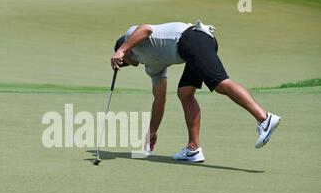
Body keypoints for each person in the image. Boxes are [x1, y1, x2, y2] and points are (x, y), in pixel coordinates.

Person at [111, 21, 281, 162]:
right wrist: (153, 130)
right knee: (185, 93)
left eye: (122, 59)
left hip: (192, 38)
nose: (122, 64)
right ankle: (193, 149)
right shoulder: (152, 67)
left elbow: (146, 29)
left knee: (220, 83)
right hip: (191, 49)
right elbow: (159, 99)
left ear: (126, 49)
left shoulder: (131, 36)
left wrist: (120, 50)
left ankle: (264, 118)